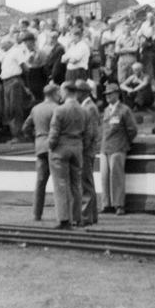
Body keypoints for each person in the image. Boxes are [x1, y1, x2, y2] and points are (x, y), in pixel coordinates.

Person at [47, 81, 92, 229]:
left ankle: (64, 219)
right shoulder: (84, 110)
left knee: (61, 184)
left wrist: (51, 146)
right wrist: (81, 146)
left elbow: (54, 132)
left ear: (65, 91)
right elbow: (88, 134)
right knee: (76, 185)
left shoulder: (59, 110)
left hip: (60, 149)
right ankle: (77, 218)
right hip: (77, 148)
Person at [23, 83, 61, 221]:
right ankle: (61, 214)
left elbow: (26, 128)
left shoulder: (36, 109)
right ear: (54, 94)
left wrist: (36, 139)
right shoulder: (57, 108)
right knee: (59, 182)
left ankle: (36, 214)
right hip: (54, 148)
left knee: (40, 183)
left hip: (40, 147)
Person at [100, 83, 137, 216]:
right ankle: (106, 204)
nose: (107, 97)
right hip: (105, 147)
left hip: (118, 146)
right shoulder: (106, 110)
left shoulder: (124, 110)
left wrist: (125, 142)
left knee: (116, 176)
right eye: (106, 95)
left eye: (110, 94)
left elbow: (132, 129)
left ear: (117, 94)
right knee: (104, 176)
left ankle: (119, 204)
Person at [0, 32, 35, 143]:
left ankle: (18, 135)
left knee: (15, 109)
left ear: (9, 43)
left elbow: (24, 67)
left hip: (14, 81)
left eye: (3, 43)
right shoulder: (7, 54)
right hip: (6, 82)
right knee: (9, 109)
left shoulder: (16, 51)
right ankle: (14, 134)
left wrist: (25, 84)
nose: (1, 46)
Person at [77, 80, 100, 226]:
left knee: (85, 183)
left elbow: (90, 132)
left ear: (83, 92)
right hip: (88, 149)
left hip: (86, 150)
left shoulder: (89, 108)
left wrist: (82, 148)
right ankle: (92, 216)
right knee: (87, 182)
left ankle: (86, 216)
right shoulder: (87, 106)